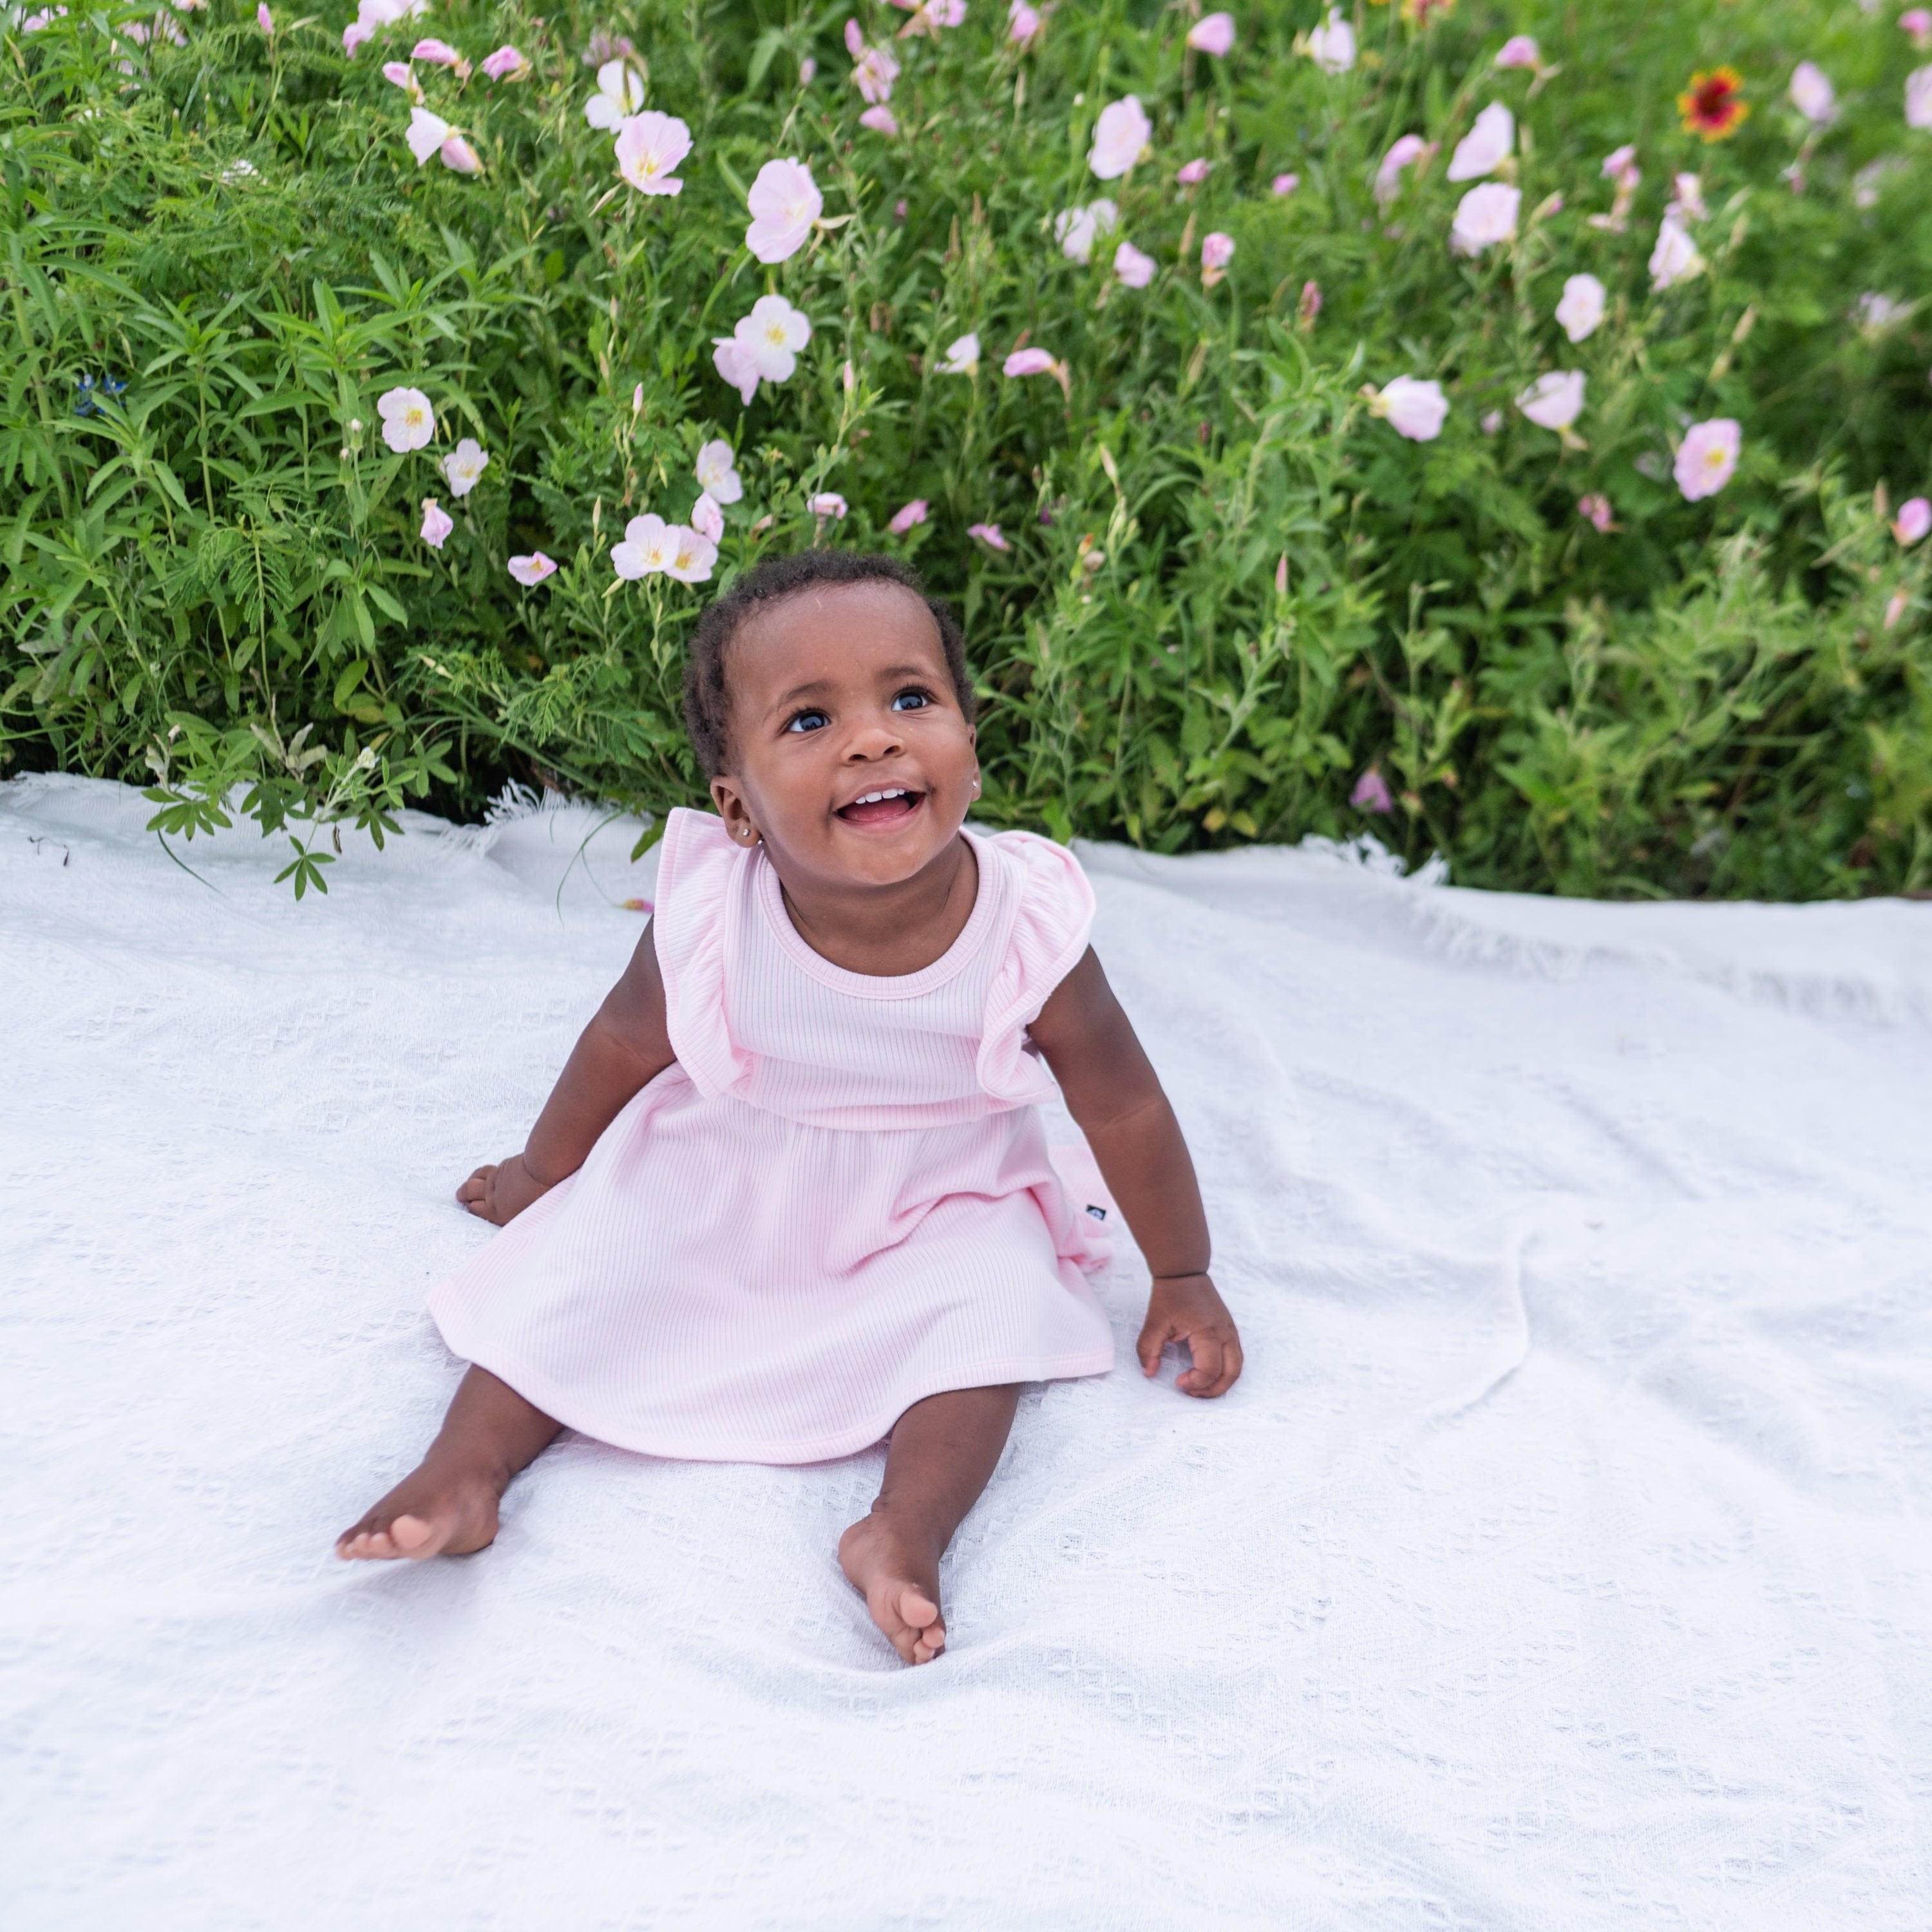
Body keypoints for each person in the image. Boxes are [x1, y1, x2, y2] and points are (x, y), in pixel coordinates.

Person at [336, 549, 1242, 1665]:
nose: (873, 738)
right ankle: (465, 1471)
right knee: (584, 1266)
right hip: (731, 1164)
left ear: (968, 738)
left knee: (994, 1317)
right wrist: (540, 1178)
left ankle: (904, 1530)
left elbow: (1126, 1103)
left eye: (912, 699)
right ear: (739, 808)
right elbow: (623, 1044)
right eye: (809, 722)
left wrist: (1182, 1271)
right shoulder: (718, 913)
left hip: (945, 1188)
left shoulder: (1027, 923)